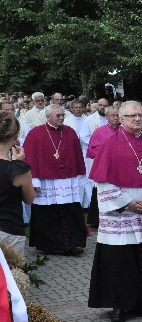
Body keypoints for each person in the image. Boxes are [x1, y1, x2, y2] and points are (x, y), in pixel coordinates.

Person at [87, 101, 142, 322]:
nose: (137, 119)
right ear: (121, 119)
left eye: (140, 115)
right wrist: (127, 203)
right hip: (120, 213)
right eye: (131, 116)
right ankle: (119, 304)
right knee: (119, 259)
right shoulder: (109, 144)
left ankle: (139, 301)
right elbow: (103, 181)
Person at [23, 105, 87, 255]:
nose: (61, 118)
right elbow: (30, 158)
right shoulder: (36, 134)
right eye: (57, 115)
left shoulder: (70, 133)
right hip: (46, 182)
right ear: (48, 117)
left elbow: (77, 156)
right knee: (47, 213)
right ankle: (48, 245)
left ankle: (70, 244)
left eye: (62, 115)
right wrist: (35, 181)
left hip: (66, 181)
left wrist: (78, 177)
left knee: (69, 211)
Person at [0, 112, 36, 255]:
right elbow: (29, 198)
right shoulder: (19, 170)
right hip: (9, 228)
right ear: (15, 137)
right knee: (12, 275)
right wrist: (17, 163)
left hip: (9, 228)